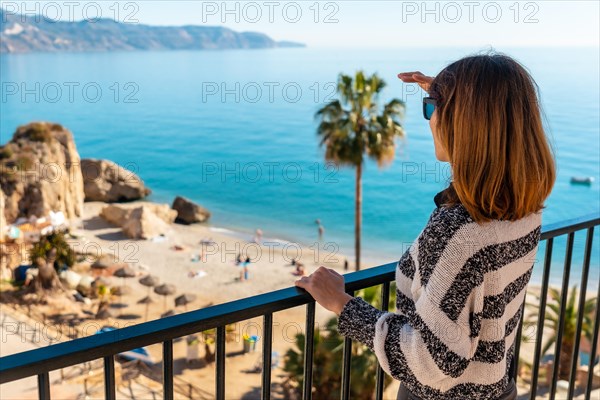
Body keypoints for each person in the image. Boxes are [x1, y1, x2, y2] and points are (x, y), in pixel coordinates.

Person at [295, 52, 556, 400]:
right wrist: (455, 95)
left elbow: (432, 364)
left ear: (463, 121)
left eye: (431, 108)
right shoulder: (525, 207)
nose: (429, 120)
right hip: (497, 388)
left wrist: (342, 303)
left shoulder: (457, 230)